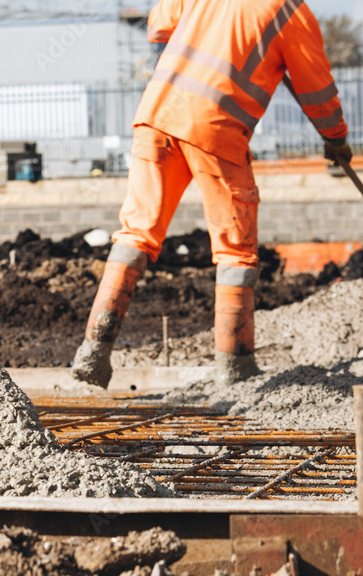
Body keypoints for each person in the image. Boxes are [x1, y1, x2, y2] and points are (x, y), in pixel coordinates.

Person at [71, 0, 350, 388]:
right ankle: (235, 368)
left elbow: (158, 26)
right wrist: (336, 139)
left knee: (136, 233)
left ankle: (93, 350)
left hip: (156, 112)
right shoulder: (290, 13)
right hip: (215, 125)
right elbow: (317, 93)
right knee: (236, 247)